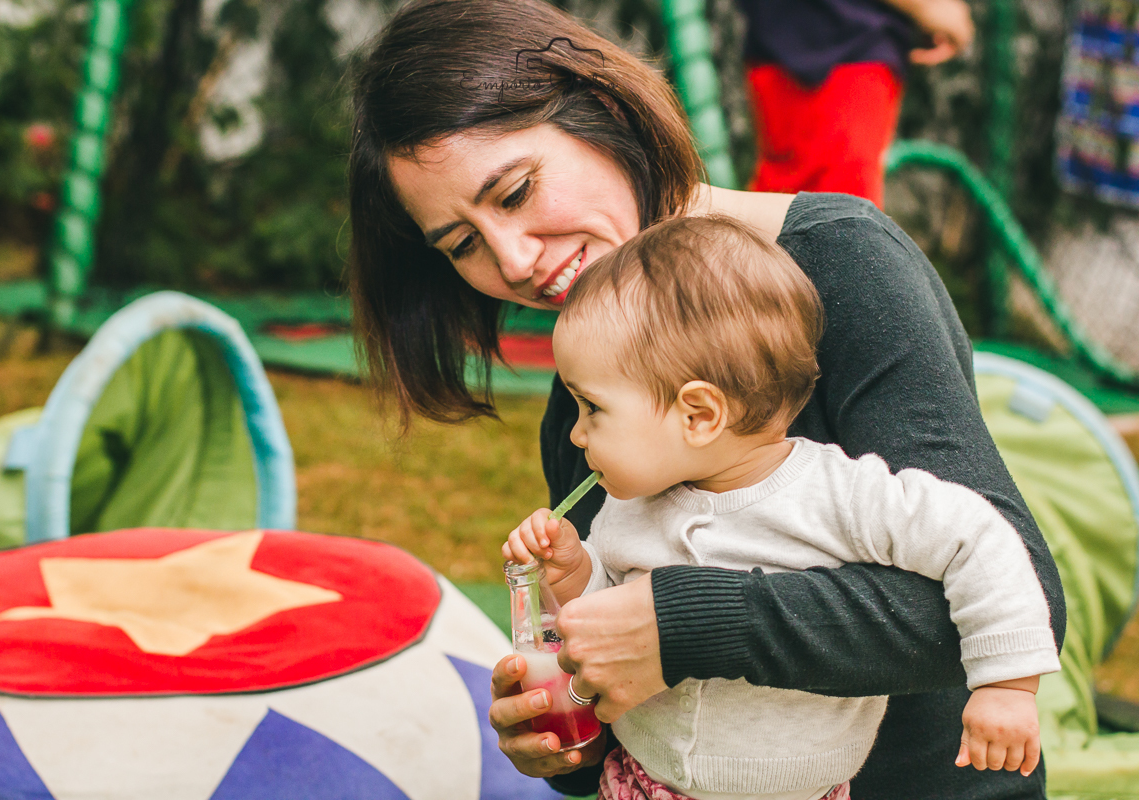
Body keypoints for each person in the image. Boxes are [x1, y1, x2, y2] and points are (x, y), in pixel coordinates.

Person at [346, 0, 1066, 796]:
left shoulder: (845, 269)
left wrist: (684, 626)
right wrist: (573, 737)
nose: (512, 262)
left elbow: (1016, 588)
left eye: (515, 193)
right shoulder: (585, 400)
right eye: (464, 244)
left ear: (605, 109)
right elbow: (628, 648)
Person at [501, 214, 1061, 800]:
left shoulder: (842, 496)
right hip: (642, 782)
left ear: (699, 415)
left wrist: (1006, 686)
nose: (576, 434)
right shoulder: (629, 507)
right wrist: (576, 578)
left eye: (592, 408)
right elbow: (615, 633)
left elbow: (980, 538)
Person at [739, 0, 975, 206]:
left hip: (810, 43)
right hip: (835, 48)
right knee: (836, 222)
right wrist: (929, 6)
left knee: (792, 215)